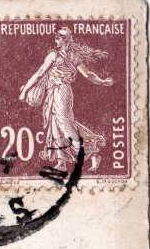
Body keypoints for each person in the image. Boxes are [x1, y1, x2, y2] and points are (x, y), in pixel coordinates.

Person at [18, 26, 112, 172]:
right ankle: (61, 161)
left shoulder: (74, 57)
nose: (56, 39)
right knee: (54, 125)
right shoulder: (53, 55)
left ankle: (92, 152)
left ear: (66, 40)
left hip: (63, 91)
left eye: (59, 37)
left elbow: (88, 74)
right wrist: (25, 90)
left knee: (66, 125)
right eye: (56, 37)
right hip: (52, 93)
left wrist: (101, 81)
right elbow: (39, 73)